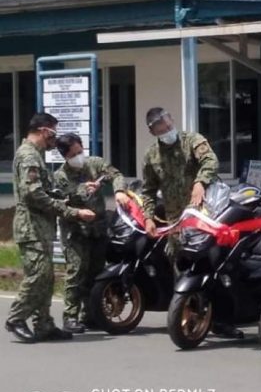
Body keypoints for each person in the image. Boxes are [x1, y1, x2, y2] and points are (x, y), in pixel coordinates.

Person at [140, 108, 239, 338]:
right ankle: (189, 318)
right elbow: (148, 190)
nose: (165, 131)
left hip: (205, 218)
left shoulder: (192, 141)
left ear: (171, 120)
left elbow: (210, 161)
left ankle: (222, 321)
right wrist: (148, 217)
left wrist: (200, 182)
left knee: (215, 265)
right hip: (177, 223)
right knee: (182, 270)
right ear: (152, 131)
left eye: (166, 125)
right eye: (159, 129)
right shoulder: (152, 155)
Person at [5, 113, 96, 343]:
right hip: (31, 228)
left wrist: (62, 197)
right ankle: (16, 317)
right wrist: (71, 212)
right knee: (38, 275)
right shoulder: (29, 156)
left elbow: (42, 191)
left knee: (46, 278)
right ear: (44, 131)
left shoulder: (35, 155)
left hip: (41, 227)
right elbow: (33, 194)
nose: (54, 141)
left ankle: (44, 324)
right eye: (53, 133)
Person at [54, 133, 130, 333]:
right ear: (65, 156)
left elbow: (115, 174)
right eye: (74, 154)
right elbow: (61, 198)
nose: (79, 156)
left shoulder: (94, 164)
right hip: (75, 230)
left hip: (98, 228)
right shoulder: (60, 176)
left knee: (96, 273)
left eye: (80, 151)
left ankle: (90, 315)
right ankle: (70, 316)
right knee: (77, 271)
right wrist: (81, 189)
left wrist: (119, 190)